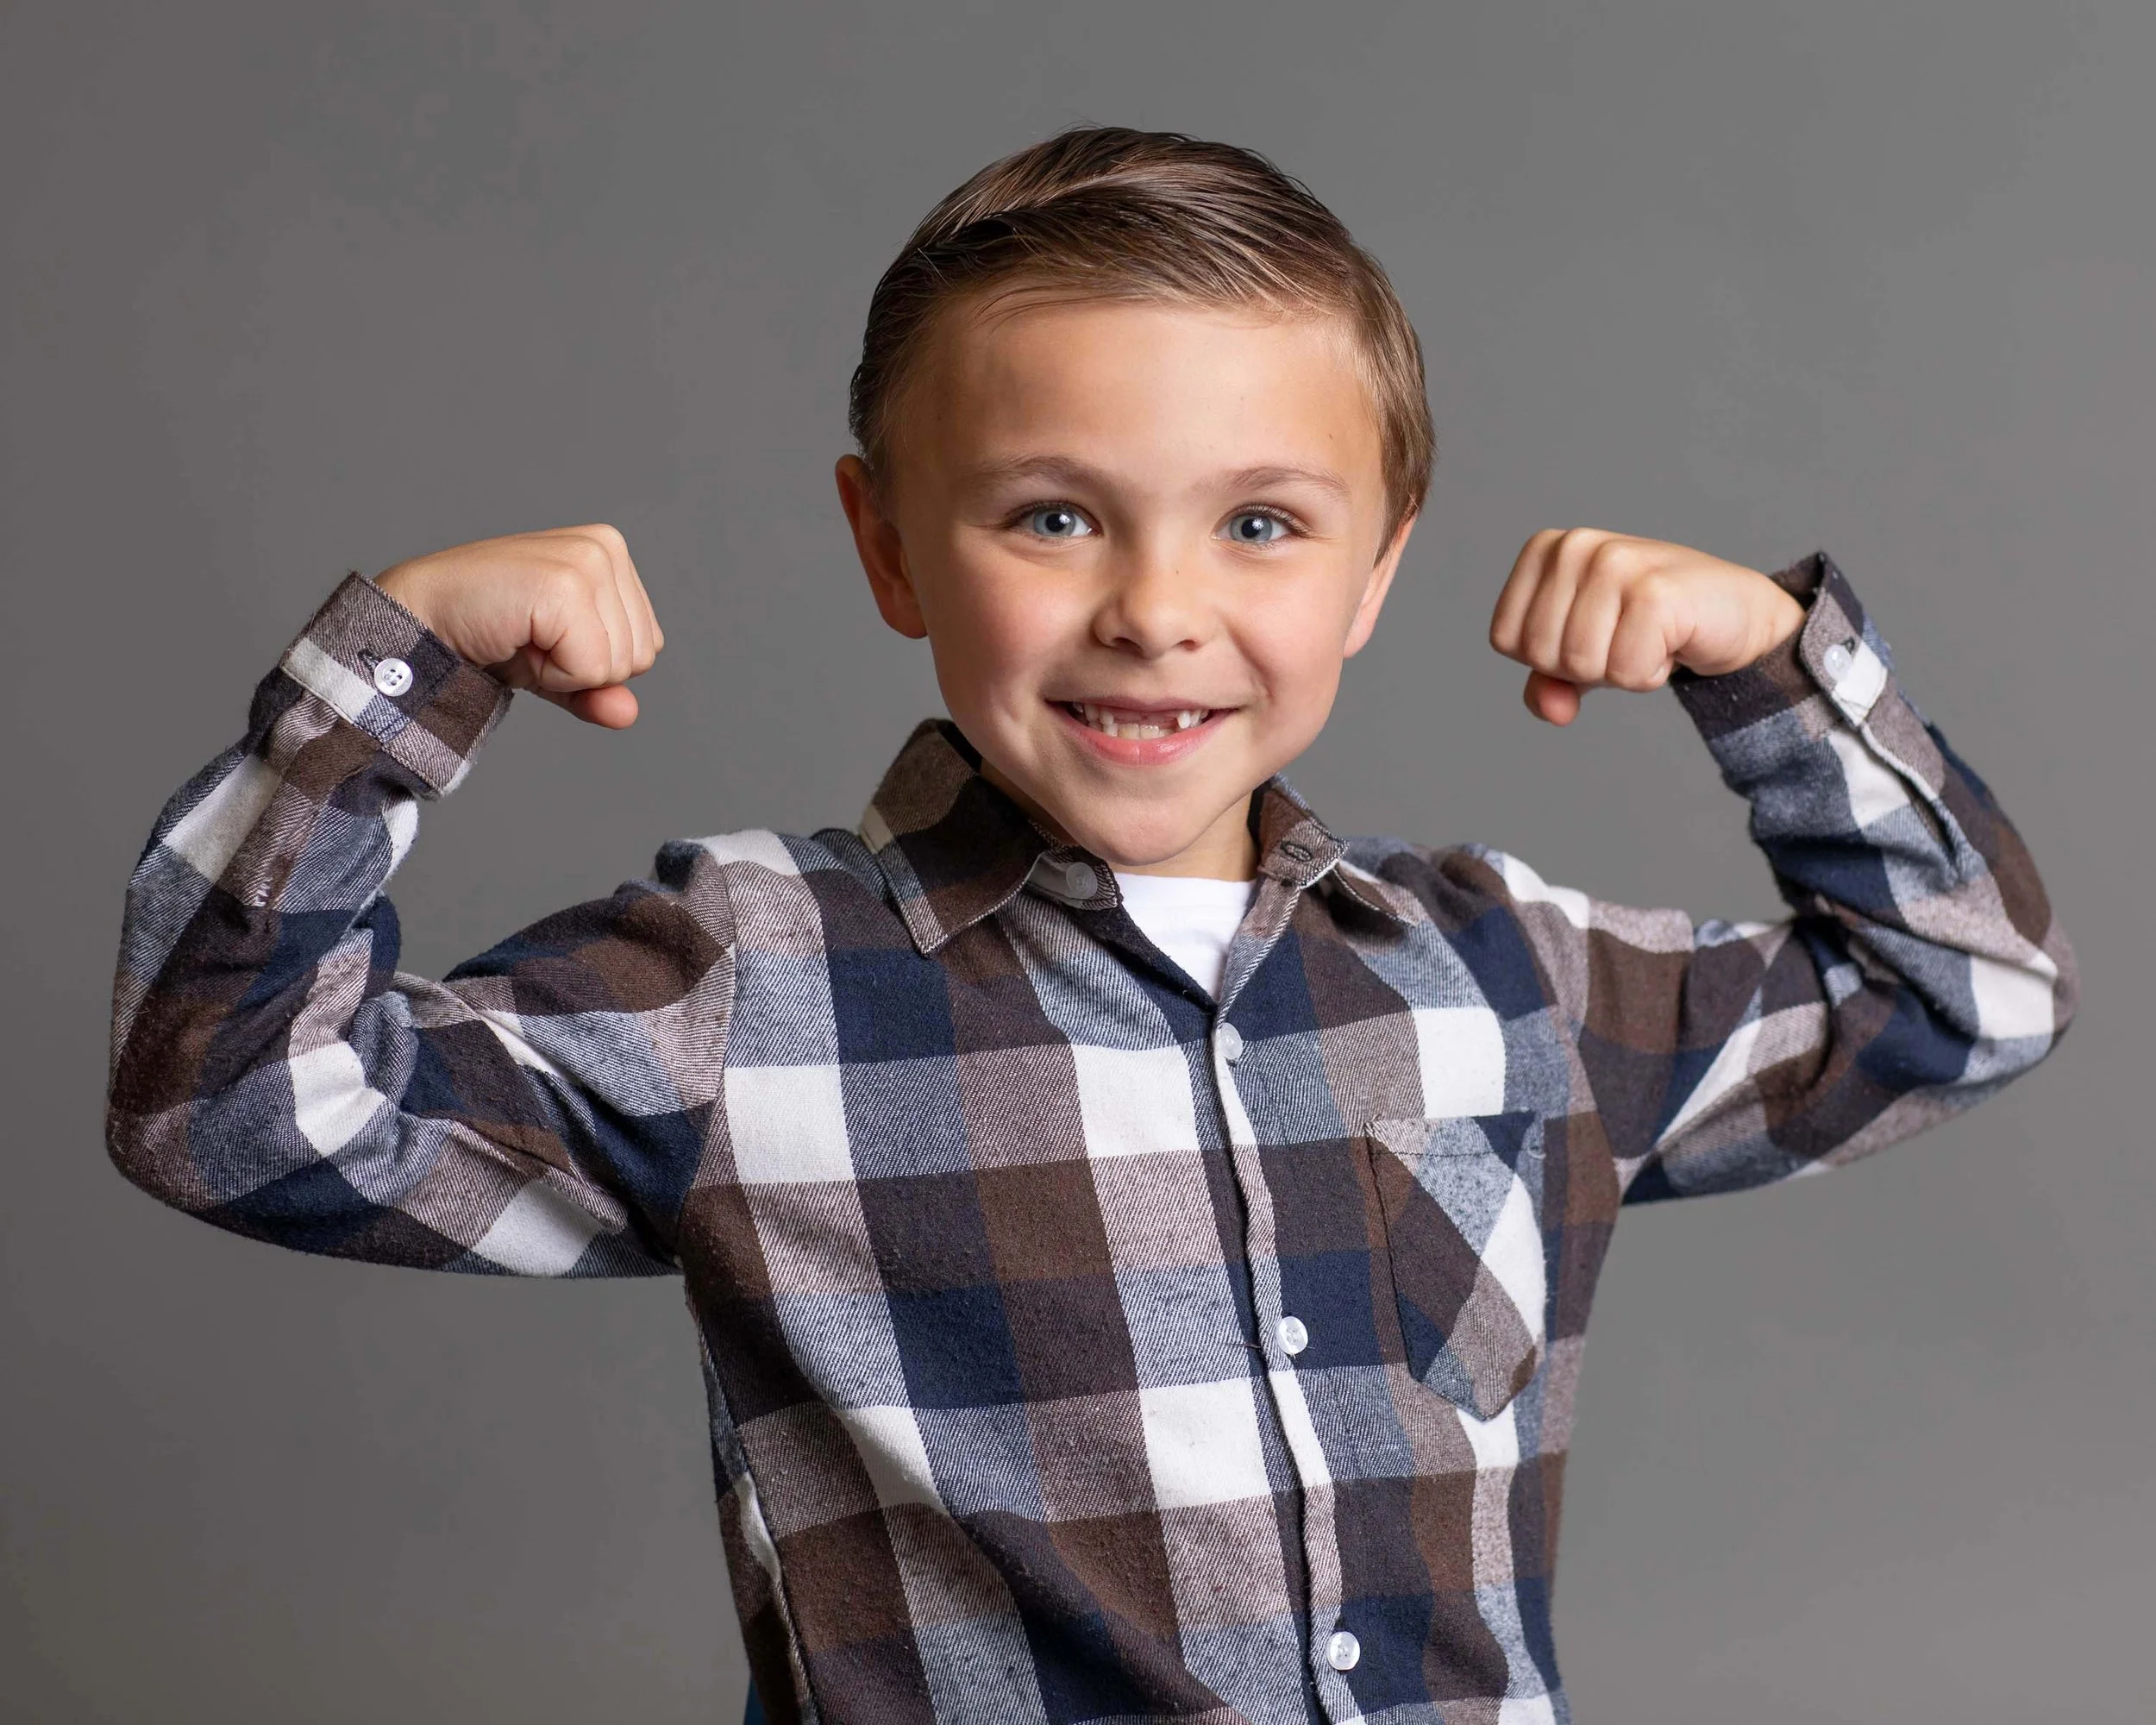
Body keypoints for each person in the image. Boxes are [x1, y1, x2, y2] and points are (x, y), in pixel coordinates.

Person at [105, 127, 2076, 1725]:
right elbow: (232, 1112)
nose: (1153, 608)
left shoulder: (1502, 975)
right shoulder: (747, 986)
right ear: (888, 543)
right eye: (1051, 516)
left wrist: (1771, 674)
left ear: (1378, 567)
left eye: (1260, 523)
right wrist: (394, 689)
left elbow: (1961, 995)